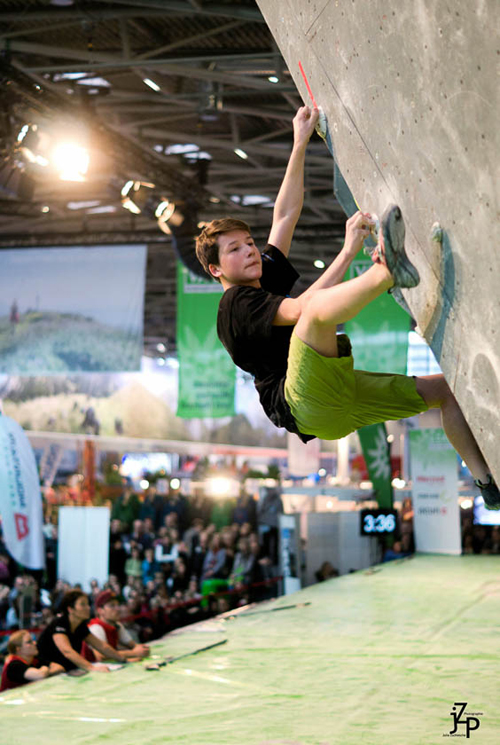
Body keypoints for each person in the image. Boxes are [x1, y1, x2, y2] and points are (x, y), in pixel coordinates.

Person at [195, 105, 500, 512]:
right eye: (235, 249)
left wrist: (299, 141)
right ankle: (388, 272)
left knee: (444, 392)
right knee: (315, 314)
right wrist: (350, 253)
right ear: (216, 269)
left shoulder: (261, 274)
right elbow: (307, 309)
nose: (250, 249)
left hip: (336, 405)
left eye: (248, 241)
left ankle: (488, 485)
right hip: (300, 402)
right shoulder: (235, 305)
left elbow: (284, 215)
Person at [36, 589, 125, 674]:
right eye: (83, 604)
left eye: (88, 604)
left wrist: (123, 659)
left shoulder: (81, 625)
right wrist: (92, 668)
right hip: (47, 669)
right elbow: (67, 651)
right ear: (70, 609)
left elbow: (101, 646)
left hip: (68, 670)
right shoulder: (59, 623)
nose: (88, 608)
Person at [81, 590, 150, 663]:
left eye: (118, 605)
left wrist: (142, 649)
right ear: (100, 611)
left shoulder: (117, 625)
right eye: (112, 606)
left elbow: (133, 645)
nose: (118, 609)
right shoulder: (95, 628)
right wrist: (134, 653)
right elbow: (101, 656)